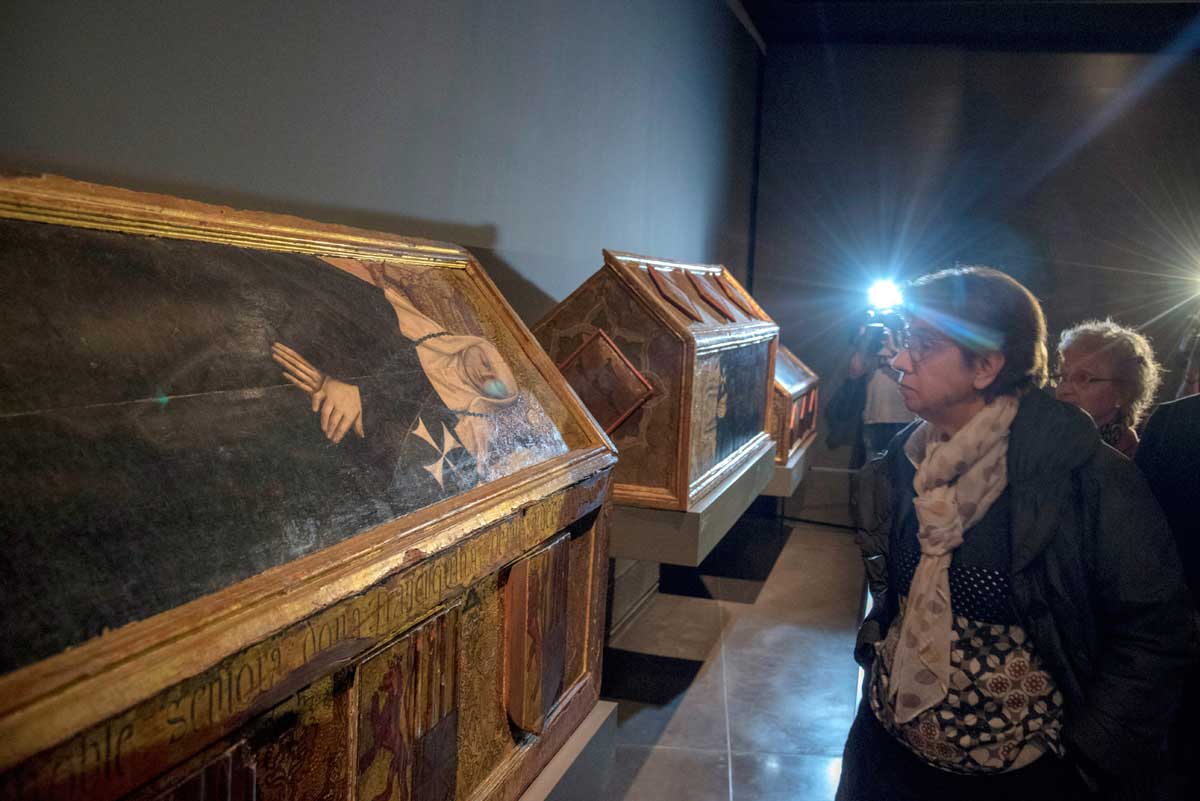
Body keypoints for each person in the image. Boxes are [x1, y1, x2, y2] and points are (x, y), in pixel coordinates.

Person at [836, 266, 1197, 801]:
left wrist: (1083, 760)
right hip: (888, 757)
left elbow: (1153, 634)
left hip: (1021, 780)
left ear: (986, 365)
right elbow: (898, 597)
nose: (899, 359)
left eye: (923, 344)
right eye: (904, 340)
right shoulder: (909, 459)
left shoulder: (1087, 477)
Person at [1054, 319, 1162, 458]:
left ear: (1123, 393)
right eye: (1062, 377)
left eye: (1082, 378)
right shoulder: (1049, 445)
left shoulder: (1135, 462)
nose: (1063, 389)